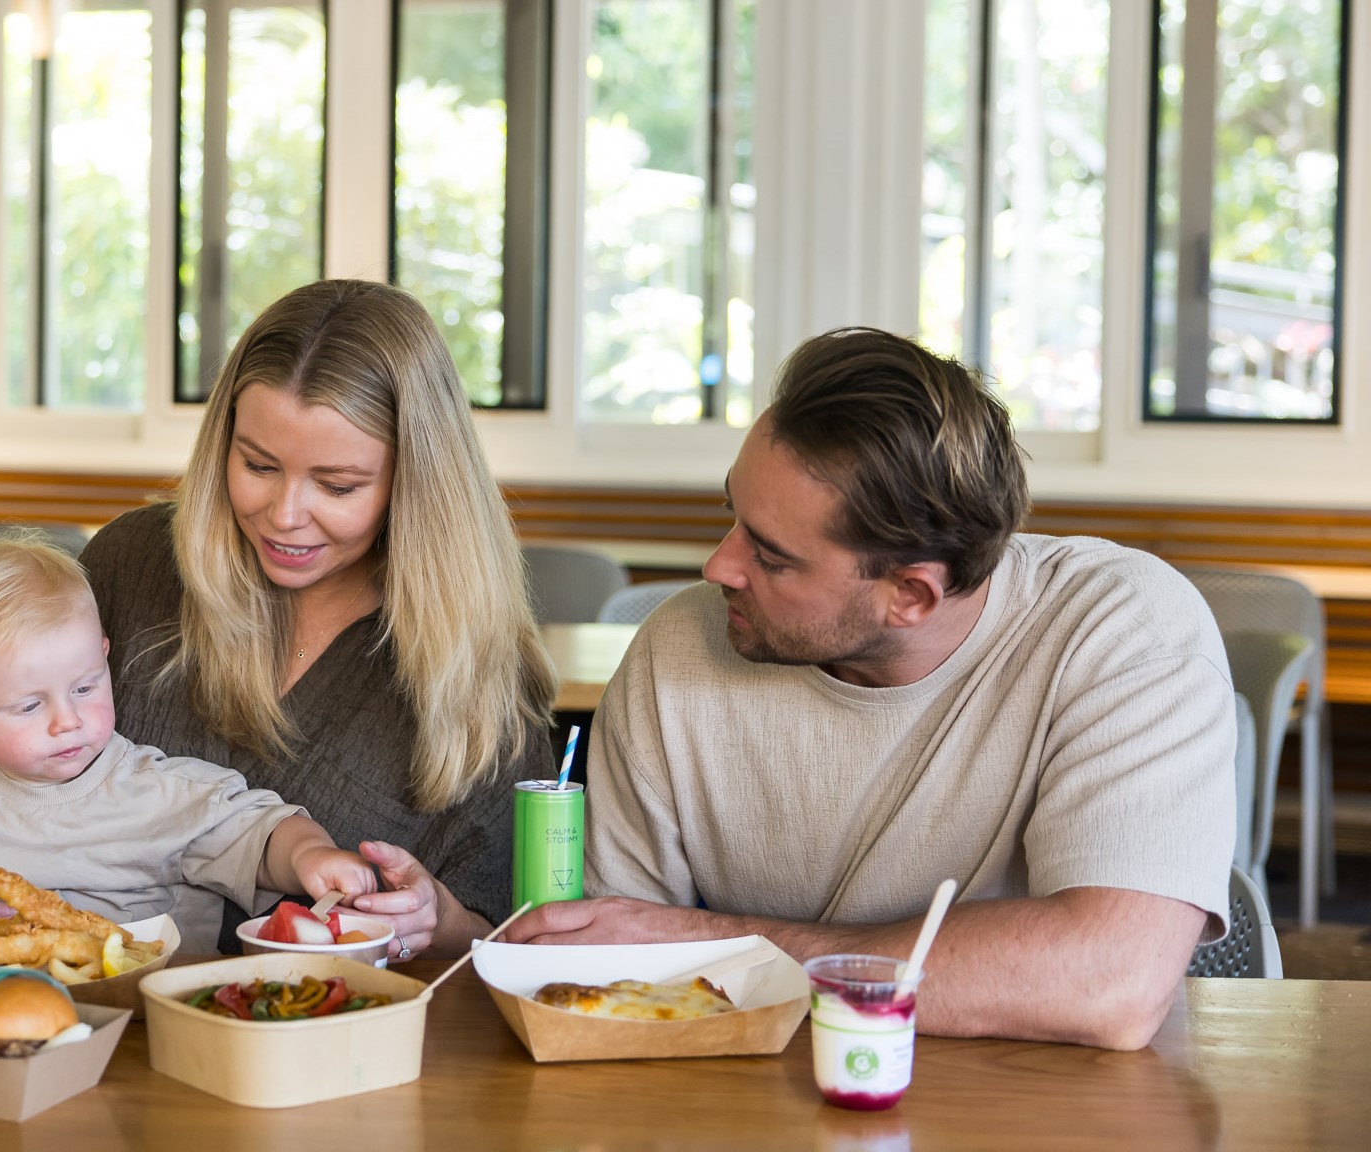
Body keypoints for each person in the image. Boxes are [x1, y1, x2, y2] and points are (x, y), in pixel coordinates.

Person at [509, 327, 1235, 1050]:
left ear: (911, 596)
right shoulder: (678, 651)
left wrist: (716, 944)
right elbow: (611, 967)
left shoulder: (1126, 633)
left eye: (771, 556)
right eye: (731, 515)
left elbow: (1109, 985)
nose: (717, 565)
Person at [0, 279, 560, 959]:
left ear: (415, 482)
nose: (285, 513)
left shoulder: (477, 674)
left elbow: (519, 942)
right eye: (258, 465)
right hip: (93, 1027)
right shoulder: (133, 567)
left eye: (337, 486)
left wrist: (441, 923)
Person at [0, 533, 379, 948]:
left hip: (141, 1031)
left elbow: (264, 832)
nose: (66, 721)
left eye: (85, 687)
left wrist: (310, 856)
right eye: (28, 705)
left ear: (104, 659)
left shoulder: (160, 790)